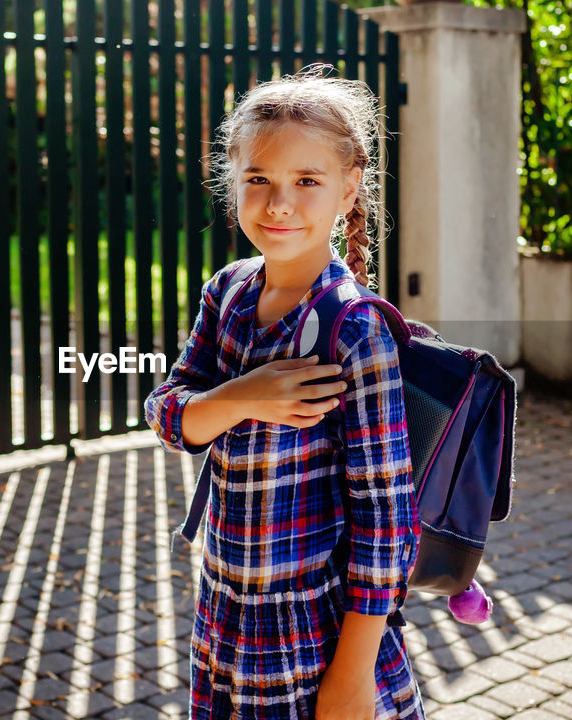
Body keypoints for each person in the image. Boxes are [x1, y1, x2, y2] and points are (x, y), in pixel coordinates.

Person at [144, 64, 424, 720]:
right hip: (224, 621)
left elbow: (387, 523)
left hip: (311, 640)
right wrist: (241, 396)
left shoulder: (354, 330)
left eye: (307, 181)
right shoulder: (230, 290)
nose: (279, 204)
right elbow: (167, 412)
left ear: (349, 188)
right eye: (259, 180)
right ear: (233, 182)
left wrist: (352, 674)